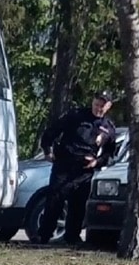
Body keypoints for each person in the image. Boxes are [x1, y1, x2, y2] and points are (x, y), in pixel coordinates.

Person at [35, 92, 119, 247]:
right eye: (97, 103)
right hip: (64, 165)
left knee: (78, 206)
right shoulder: (76, 115)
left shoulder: (108, 128)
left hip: (85, 170)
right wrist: (48, 150)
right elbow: (51, 132)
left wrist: (97, 162)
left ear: (108, 106)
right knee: (54, 201)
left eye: (102, 105)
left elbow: (110, 154)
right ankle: (44, 236)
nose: (98, 107)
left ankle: (72, 238)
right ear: (92, 101)